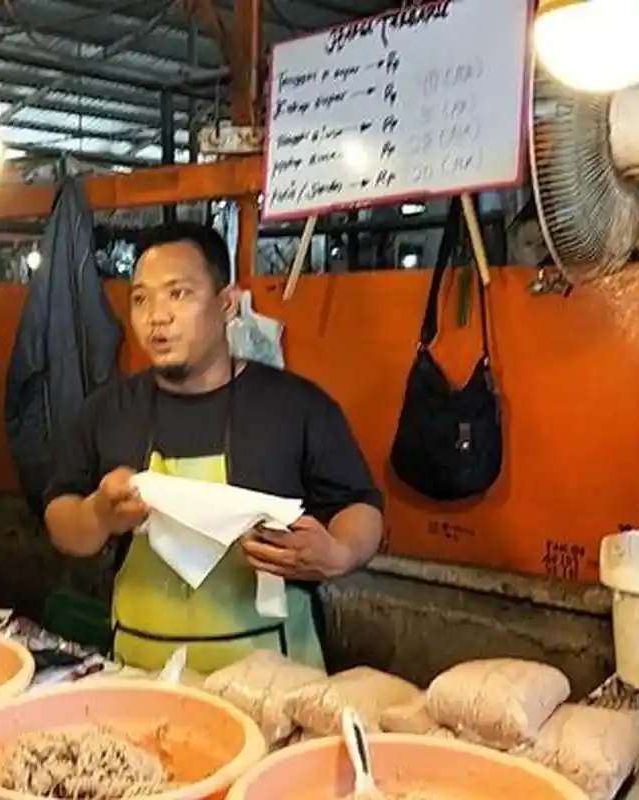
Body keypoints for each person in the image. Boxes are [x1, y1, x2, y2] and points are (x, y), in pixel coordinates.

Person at [43, 221, 385, 674]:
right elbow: (60, 519)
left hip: (274, 685)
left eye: (178, 294)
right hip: (143, 677)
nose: (156, 316)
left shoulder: (296, 406)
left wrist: (339, 552)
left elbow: (361, 507)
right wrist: (98, 515)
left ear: (226, 304)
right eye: (141, 298)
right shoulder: (107, 411)